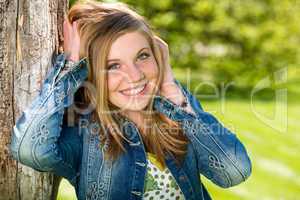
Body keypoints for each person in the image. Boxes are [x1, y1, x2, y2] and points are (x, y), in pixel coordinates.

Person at [9, 1, 252, 200]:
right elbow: (29, 150)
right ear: (89, 74)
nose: (135, 76)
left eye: (143, 56)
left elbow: (234, 171)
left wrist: (168, 83)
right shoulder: (84, 134)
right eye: (113, 66)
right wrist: (70, 66)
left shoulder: (177, 114)